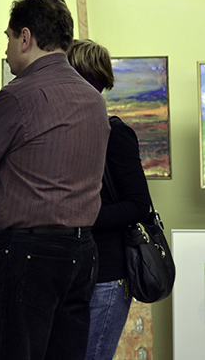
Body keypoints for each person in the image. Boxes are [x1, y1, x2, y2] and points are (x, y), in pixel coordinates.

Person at [0, 0, 110, 360]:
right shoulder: (93, 99)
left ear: (25, 37)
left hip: (27, 255)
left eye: (7, 37)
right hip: (82, 253)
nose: (6, 49)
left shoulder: (18, 96)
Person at [66, 39, 152, 360]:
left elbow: (138, 205)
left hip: (107, 276)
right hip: (72, 272)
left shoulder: (115, 133)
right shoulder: (65, 132)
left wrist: (79, 218)